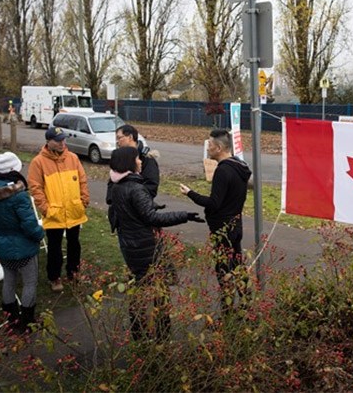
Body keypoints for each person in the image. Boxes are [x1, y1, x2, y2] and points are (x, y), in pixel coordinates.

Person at [108, 146, 204, 338]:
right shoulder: (135, 188)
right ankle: (161, 335)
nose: (141, 161)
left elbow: (125, 213)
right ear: (129, 162)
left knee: (141, 288)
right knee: (158, 290)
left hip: (131, 245)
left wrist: (147, 206)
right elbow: (153, 219)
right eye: (137, 159)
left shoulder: (117, 186)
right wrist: (184, 215)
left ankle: (139, 332)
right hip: (145, 247)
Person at [179, 129, 252, 314]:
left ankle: (227, 312)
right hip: (236, 224)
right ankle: (246, 304)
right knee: (237, 265)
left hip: (223, 229)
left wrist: (190, 193)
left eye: (209, 145)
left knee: (223, 269)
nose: (208, 148)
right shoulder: (240, 166)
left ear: (219, 148)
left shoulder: (223, 170)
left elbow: (214, 203)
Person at [0, 152, 44, 332]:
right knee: (30, 282)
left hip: (2, 244)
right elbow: (29, 224)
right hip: (23, 246)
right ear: (13, 169)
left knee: (9, 280)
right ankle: (27, 322)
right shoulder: (18, 195)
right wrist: (39, 234)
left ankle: (12, 320)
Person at [28, 126, 89, 292]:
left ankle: (73, 273)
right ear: (48, 142)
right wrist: (46, 209)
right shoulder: (38, 162)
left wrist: (83, 200)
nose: (62, 143)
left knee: (74, 245)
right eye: (58, 141)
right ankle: (54, 277)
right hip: (54, 213)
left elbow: (82, 181)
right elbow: (36, 188)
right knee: (54, 247)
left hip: (74, 211)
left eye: (63, 140)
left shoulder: (73, 158)